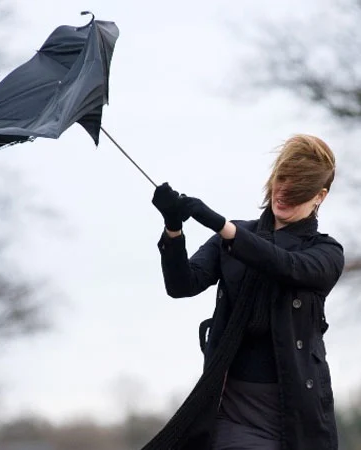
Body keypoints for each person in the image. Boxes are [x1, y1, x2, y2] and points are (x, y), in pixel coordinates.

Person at [143, 134, 344, 450]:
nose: (284, 193)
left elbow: (285, 264)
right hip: (232, 409)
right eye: (282, 180)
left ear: (319, 196)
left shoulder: (325, 253)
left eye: (297, 191)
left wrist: (223, 227)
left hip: (296, 415)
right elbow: (182, 285)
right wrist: (173, 228)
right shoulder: (236, 235)